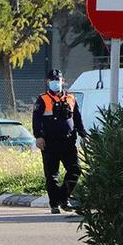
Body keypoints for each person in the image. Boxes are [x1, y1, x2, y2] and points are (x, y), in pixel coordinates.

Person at [33, 69, 86, 215]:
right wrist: (38, 136)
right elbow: (36, 120)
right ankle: (55, 204)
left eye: (58, 80)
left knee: (75, 170)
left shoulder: (71, 98)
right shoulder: (43, 99)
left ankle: (63, 197)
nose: (56, 83)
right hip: (49, 142)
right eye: (53, 80)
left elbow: (77, 118)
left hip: (68, 141)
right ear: (48, 82)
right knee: (52, 175)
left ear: (63, 81)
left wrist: (83, 133)